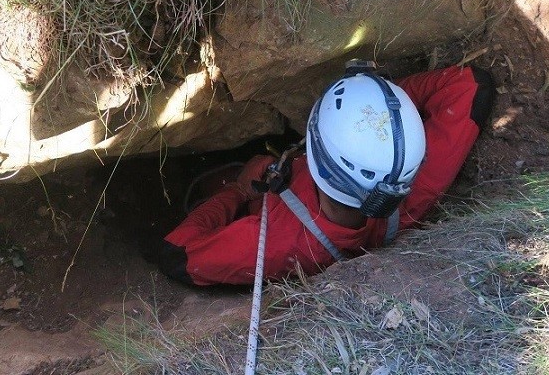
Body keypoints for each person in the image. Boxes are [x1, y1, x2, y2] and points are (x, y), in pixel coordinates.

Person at [152, 63, 494, 286]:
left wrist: (237, 193)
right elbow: (473, 85)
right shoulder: (415, 184)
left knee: (233, 180)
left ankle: (216, 187)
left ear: (313, 150)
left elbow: (177, 256)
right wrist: (380, 110)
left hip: (258, 203)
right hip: (297, 192)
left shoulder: (274, 243)